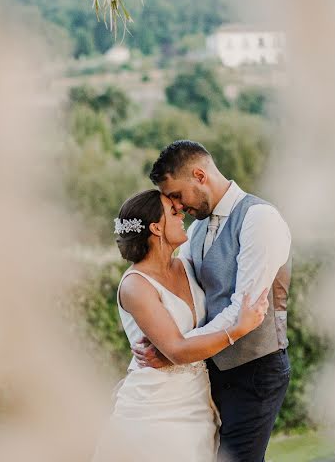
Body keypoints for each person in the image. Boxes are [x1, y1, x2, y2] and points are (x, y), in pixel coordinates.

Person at [135, 140, 292, 462]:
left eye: (177, 195)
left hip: (254, 368)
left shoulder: (259, 218)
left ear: (199, 175)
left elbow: (243, 310)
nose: (177, 207)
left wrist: (175, 349)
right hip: (209, 368)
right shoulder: (196, 230)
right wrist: (159, 331)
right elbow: (187, 293)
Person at [93, 188, 270, 462]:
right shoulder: (135, 286)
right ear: (156, 227)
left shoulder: (186, 264)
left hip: (198, 401)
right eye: (174, 213)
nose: (181, 216)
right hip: (155, 409)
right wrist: (238, 329)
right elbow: (176, 349)